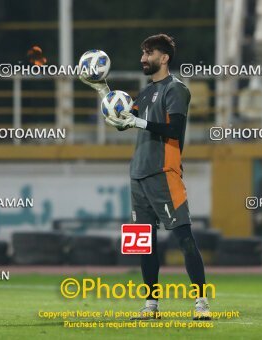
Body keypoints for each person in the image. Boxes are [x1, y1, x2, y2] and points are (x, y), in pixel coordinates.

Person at [80, 33, 210, 321]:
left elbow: (173, 129)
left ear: (163, 58)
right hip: (138, 174)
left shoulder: (176, 90)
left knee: (184, 237)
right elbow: (120, 123)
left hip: (165, 173)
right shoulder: (146, 91)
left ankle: (201, 302)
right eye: (142, 53)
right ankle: (151, 305)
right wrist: (102, 89)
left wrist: (136, 120)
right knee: (145, 242)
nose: (142, 58)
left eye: (148, 53)